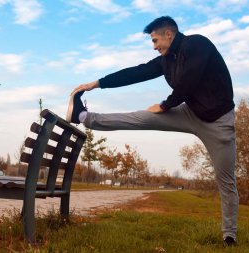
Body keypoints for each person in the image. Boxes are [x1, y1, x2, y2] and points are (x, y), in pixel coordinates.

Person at [66, 16, 238, 246]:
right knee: (143, 118)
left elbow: (190, 79)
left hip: (219, 122)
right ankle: (83, 117)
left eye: (155, 40)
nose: (154, 46)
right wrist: (95, 84)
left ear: (169, 33)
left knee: (225, 180)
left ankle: (229, 236)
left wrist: (166, 104)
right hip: (190, 113)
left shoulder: (198, 44)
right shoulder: (165, 61)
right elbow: (135, 73)